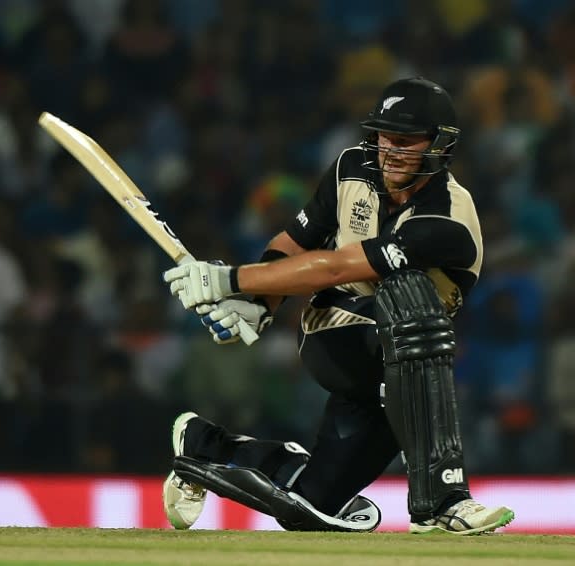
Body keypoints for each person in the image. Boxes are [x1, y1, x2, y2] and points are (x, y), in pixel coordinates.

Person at [161, 77, 515, 535]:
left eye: (405, 141)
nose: (388, 151)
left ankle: (204, 446)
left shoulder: (445, 219)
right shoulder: (352, 166)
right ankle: (444, 501)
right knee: (411, 310)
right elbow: (295, 241)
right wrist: (261, 303)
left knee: (314, 502)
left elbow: (337, 265)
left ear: (440, 145)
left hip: (400, 368)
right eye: (383, 137)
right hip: (337, 332)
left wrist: (228, 279)